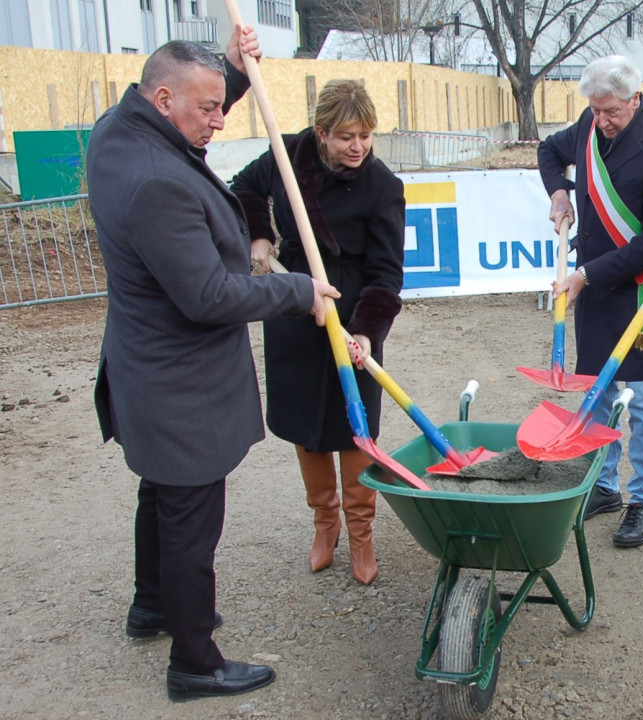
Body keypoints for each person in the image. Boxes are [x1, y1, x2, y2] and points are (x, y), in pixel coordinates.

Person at [88, 31, 340, 701]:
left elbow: (189, 97)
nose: (220, 120)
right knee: (190, 520)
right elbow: (207, 297)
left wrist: (229, 69)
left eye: (220, 103)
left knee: (161, 494)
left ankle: (153, 607)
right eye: (209, 108)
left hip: (144, 365)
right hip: (179, 384)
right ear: (163, 98)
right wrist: (297, 291)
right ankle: (194, 660)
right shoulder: (155, 182)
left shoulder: (116, 131)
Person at [231, 80, 405, 585]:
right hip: (292, 296)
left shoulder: (383, 187)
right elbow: (244, 186)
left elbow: (386, 274)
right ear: (321, 132)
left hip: (352, 308)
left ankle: (361, 534)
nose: (358, 147)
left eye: (366, 135)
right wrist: (259, 235)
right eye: (347, 136)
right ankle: (325, 524)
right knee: (307, 423)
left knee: (355, 425)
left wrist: (367, 333)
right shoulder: (288, 156)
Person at [537, 55, 643, 548]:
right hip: (595, 292)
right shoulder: (590, 124)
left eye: (611, 112)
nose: (601, 121)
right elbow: (548, 150)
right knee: (597, 394)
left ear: (635, 99)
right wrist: (559, 193)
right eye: (595, 110)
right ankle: (603, 487)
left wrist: (584, 275)